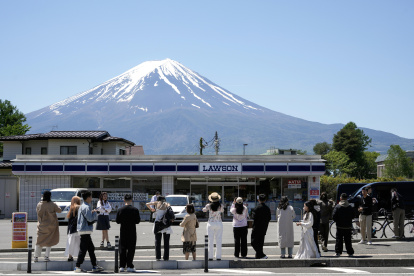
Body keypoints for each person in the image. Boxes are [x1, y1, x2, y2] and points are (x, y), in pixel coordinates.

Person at [74, 191, 103, 273]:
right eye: (90, 197)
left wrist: (92, 212)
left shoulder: (83, 206)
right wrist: (95, 213)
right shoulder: (86, 207)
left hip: (83, 230)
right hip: (85, 230)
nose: (91, 198)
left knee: (91, 248)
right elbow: (90, 219)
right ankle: (77, 266)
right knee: (83, 250)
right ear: (87, 198)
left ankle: (94, 265)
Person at [34, 190, 62, 262]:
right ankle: (46, 257)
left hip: (41, 225)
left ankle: (36, 257)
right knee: (49, 241)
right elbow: (59, 210)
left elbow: (37, 212)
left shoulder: (39, 204)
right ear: (50, 196)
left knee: (39, 241)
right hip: (50, 225)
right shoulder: (52, 204)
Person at [116, 194, 141, 272]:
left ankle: (122, 266)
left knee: (122, 248)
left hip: (123, 231)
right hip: (132, 231)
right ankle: (129, 265)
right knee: (131, 249)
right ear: (131, 200)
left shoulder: (120, 210)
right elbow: (137, 221)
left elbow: (117, 221)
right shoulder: (135, 210)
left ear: (124, 200)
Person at [146, 195, 173, 261]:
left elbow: (147, 204)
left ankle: (158, 257)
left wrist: (151, 209)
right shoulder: (167, 204)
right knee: (166, 243)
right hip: (166, 224)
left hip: (158, 224)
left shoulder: (156, 203)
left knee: (157, 241)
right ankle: (166, 257)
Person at [202, 192, 224, 261]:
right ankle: (218, 256)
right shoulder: (221, 206)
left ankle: (210, 256)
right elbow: (222, 211)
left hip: (211, 223)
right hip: (219, 223)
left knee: (210, 240)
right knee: (219, 240)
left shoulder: (209, 205)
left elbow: (204, 210)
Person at [251, 194, 271, 259]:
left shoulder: (256, 208)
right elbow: (269, 218)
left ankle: (261, 254)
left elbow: (253, 217)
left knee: (253, 242)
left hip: (256, 227)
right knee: (260, 242)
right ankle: (258, 255)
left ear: (258, 200)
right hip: (264, 228)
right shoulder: (267, 208)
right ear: (265, 200)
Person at [65, 196, 81, 262]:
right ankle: (80, 256)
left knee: (71, 243)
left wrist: (68, 230)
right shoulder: (79, 207)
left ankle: (70, 256)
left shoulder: (72, 208)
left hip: (71, 228)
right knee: (79, 243)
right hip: (78, 228)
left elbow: (70, 221)